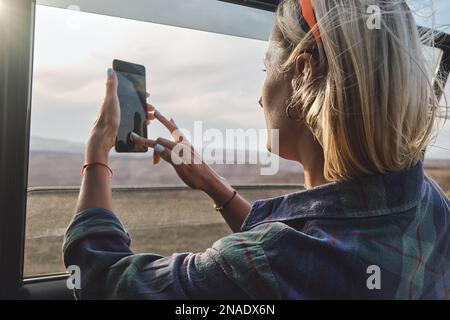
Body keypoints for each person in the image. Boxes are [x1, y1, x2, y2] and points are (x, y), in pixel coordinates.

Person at [63, 0, 449, 299]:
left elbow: (102, 281)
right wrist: (214, 184)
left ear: (302, 74)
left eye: (266, 69)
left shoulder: (264, 264)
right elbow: (308, 248)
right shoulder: (431, 205)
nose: (260, 99)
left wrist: (97, 152)